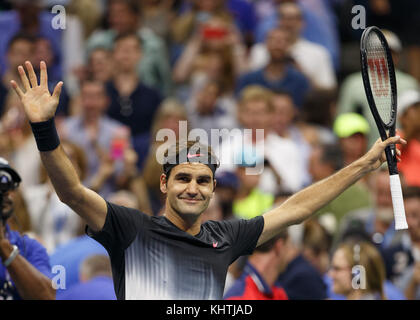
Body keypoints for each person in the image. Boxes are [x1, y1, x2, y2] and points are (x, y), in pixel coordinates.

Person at [10, 61, 406, 299]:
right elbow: (72, 192)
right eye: (183, 178)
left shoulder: (227, 237)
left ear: (213, 190)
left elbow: (297, 208)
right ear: (163, 185)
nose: (193, 187)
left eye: (202, 181)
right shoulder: (130, 228)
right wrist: (44, 128)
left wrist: (363, 164)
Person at [0, 157, 54, 300]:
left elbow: (47, 296)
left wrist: (5, 247)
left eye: (9, 185)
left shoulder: (29, 247)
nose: (4, 193)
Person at [249, 2, 336, 89]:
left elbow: (328, 91)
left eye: (294, 18)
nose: (289, 23)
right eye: (284, 18)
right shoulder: (259, 51)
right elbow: (249, 85)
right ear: (277, 21)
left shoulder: (318, 53)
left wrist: (304, 76)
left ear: (303, 22)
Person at [236, 28, 310, 109]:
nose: (277, 45)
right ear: (265, 44)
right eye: (272, 40)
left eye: (282, 41)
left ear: (290, 46)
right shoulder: (248, 79)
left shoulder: (300, 81)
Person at [223, 230, 289, 300]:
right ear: (279, 246)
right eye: (288, 247)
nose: (290, 254)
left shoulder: (277, 291)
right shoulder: (239, 297)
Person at [382, 186, 420, 299]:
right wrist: (414, 281)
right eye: (405, 216)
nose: (410, 222)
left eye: (415, 215)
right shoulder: (389, 254)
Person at [396, 90, 420, 187]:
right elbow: (404, 143)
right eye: (415, 108)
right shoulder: (395, 137)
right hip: (404, 197)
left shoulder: (416, 144)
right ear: (402, 117)